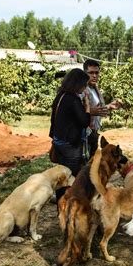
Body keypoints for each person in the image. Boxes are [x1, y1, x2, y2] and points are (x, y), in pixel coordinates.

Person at [49, 68, 91, 201]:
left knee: (62, 177)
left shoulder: (60, 96)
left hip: (59, 141)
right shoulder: (73, 100)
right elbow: (84, 121)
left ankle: (60, 204)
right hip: (70, 145)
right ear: (77, 84)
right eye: (84, 85)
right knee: (71, 177)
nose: (85, 88)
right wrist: (87, 106)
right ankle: (70, 205)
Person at [83, 59, 121, 158]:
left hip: (94, 133)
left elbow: (97, 109)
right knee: (83, 164)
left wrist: (109, 107)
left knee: (91, 163)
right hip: (84, 135)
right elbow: (75, 111)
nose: (94, 75)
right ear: (84, 73)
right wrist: (90, 111)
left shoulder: (95, 88)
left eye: (97, 72)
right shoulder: (81, 89)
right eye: (91, 73)